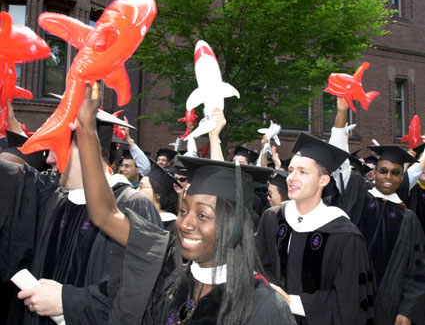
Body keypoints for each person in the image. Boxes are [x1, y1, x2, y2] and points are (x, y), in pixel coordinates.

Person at [75, 83, 296, 325]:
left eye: (202, 215)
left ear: (232, 226)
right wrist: (86, 129)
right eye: (182, 210)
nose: (185, 223)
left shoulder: (263, 307)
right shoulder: (171, 267)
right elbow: (104, 215)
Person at [0, 84, 162, 325]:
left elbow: (135, 295)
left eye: (58, 146)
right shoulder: (54, 198)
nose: (49, 158)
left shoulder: (130, 207)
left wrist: (67, 301)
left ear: (87, 146)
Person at [256, 132, 374, 325]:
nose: (291, 178)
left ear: (323, 181)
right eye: (292, 170)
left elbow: (350, 301)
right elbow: (261, 265)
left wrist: (292, 302)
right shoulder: (272, 218)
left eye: (303, 172)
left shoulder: (344, 235)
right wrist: (271, 293)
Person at [330, 97, 425, 325]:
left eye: (395, 172)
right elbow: (339, 161)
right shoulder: (359, 195)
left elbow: (418, 269)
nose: (388, 177)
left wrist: (408, 310)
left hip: (388, 308)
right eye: (383, 171)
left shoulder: (408, 218)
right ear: (376, 172)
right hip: (348, 299)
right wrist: (341, 113)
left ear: (402, 177)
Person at [138, 158, 180, 231]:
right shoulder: (140, 217)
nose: (136, 190)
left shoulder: (171, 225)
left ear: (158, 195)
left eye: (142, 187)